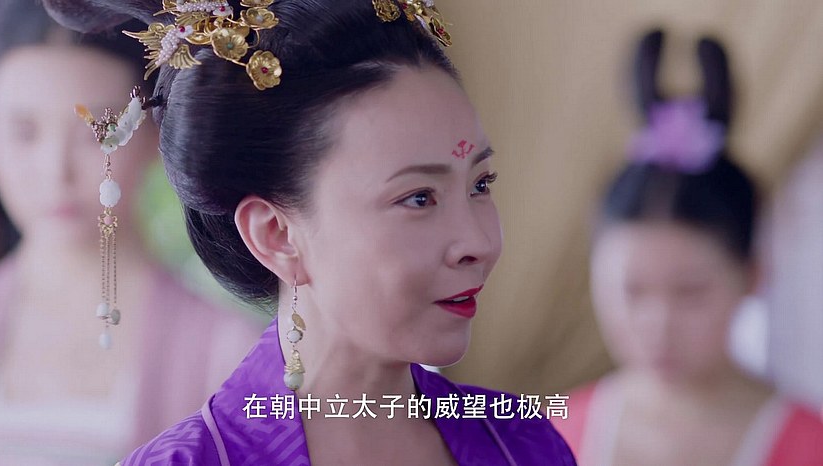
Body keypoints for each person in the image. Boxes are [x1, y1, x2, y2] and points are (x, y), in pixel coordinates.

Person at [41, 0, 578, 464]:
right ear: (277, 233)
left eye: (480, 184)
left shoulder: (522, 441)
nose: (478, 243)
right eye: (419, 198)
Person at [0, 1, 264, 464]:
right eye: (23, 131)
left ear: (155, 130)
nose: (55, 171)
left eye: (97, 133)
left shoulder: (229, 352)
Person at [552, 30, 823, 465]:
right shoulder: (552, 432)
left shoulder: (810, 445)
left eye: (691, 292)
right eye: (632, 291)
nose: (658, 325)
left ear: (753, 275)